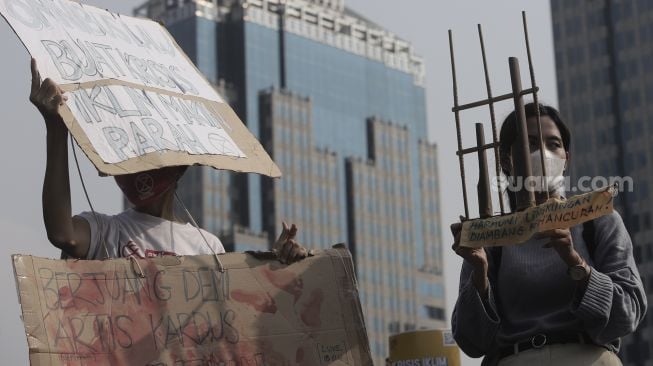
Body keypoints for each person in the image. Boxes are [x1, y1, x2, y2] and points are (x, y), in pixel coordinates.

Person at [30, 58, 307, 263]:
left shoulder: (207, 246)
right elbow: (62, 233)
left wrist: (277, 262)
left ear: (179, 166)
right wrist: (56, 128)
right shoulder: (106, 231)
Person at [451, 103, 647, 366]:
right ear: (507, 161)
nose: (543, 154)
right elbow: (471, 341)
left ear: (566, 158)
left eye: (553, 144)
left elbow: (628, 313)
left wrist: (577, 263)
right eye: (530, 144)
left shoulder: (596, 219)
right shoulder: (493, 236)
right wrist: (479, 275)